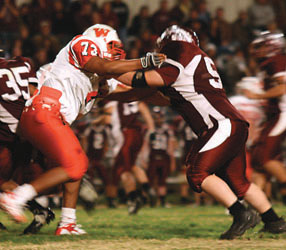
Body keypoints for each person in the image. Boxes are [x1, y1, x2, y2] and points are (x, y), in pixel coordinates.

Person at [115, 25, 286, 239]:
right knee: (239, 182)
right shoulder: (191, 64)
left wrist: (109, 69)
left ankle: (241, 214)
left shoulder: (180, 51)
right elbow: (150, 94)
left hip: (220, 125)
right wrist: (108, 95)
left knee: (197, 173)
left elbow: (147, 80)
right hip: (232, 124)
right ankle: (274, 221)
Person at [0, 24, 165, 235]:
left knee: (78, 163)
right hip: (44, 110)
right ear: (97, 39)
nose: (117, 51)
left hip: (50, 116)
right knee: (74, 165)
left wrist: (175, 96)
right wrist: (143, 62)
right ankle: (16, 197)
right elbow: (108, 67)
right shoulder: (82, 44)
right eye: (113, 46)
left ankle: (67, 223)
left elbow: (131, 92)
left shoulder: (97, 75)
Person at [0, 54, 55, 234]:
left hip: (11, 134)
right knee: (8, 182)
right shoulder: (22, 62)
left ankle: (40, 211)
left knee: (3, 182)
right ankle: (40, 211)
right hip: (30, 128)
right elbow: (33, 92)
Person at [244, 31, 286, 206]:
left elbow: (283, 89)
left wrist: (256, 95)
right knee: (258, 160)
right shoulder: (273, 62)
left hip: (282, 113)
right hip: (274, 116)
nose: (258, 51)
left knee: (266, 157)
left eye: (262, 46)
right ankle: (255, 202)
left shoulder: (276, 61)